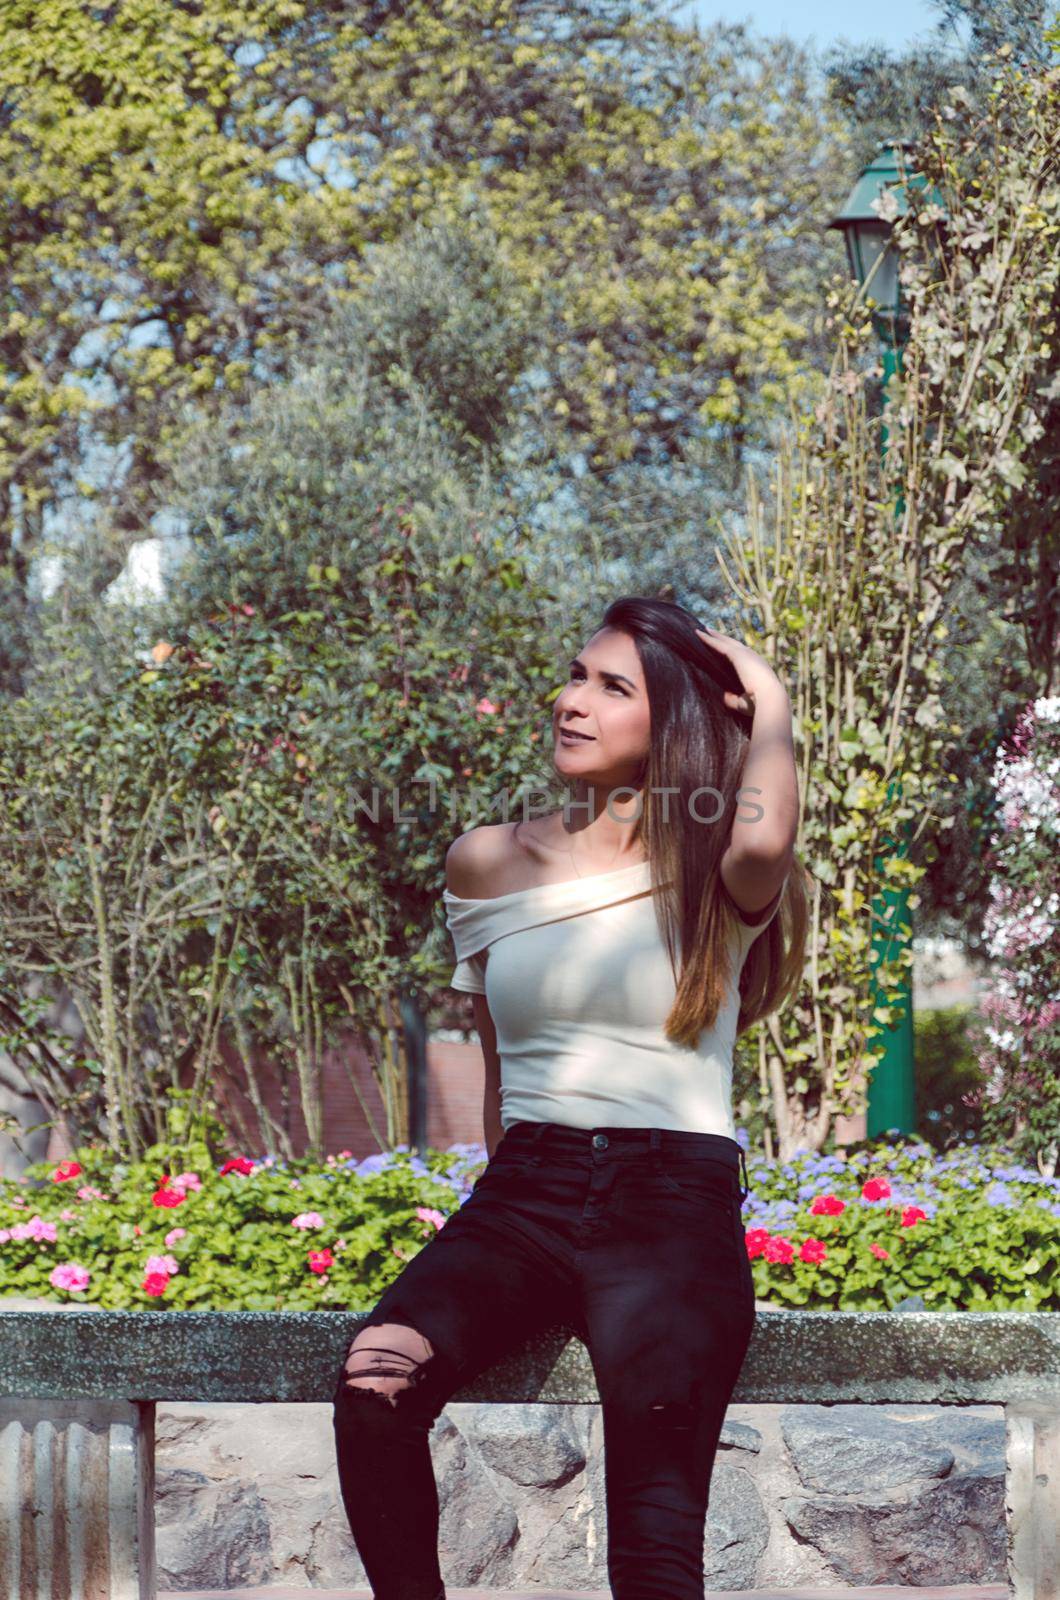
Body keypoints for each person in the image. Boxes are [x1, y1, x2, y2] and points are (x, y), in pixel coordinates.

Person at [331, 594, 810, 1600]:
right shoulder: (485, 859)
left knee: (654, 1543)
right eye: (576, 675)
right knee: (376, 1379)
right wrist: (501, 1200)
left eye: (611, 687)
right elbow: (504, 1068)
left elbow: (768, 841)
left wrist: (767, 700)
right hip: (529, 1188)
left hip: (672, 1200)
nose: (571, 700)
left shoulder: (716, 862)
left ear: (667, 720)